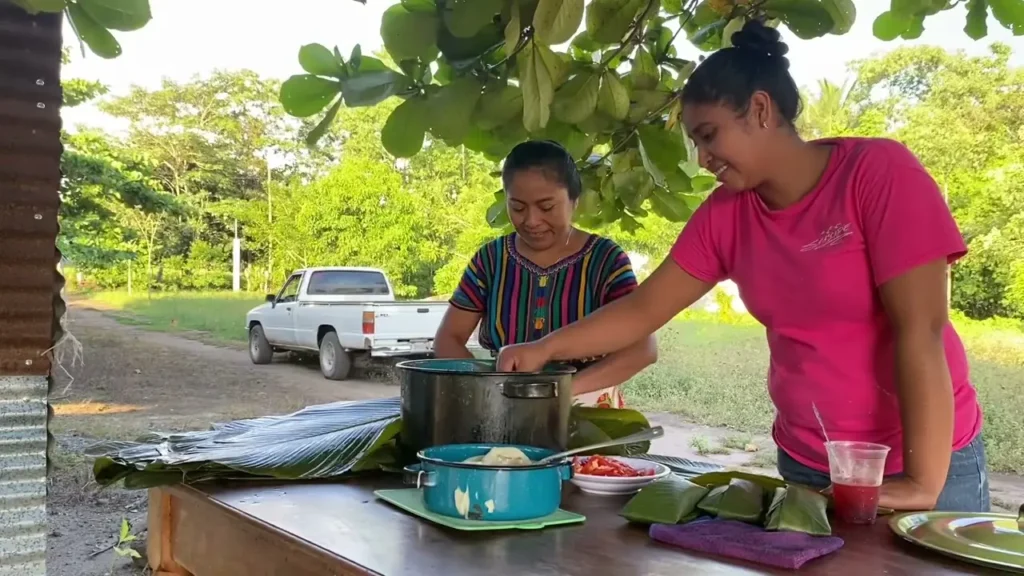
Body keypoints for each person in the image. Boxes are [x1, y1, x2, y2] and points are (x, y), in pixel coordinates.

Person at [496, 21, 988, 512]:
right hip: (810, 462)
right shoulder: (726, 215)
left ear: (759, 109)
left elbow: (921, 330)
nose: (704, 157)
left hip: (921, 460)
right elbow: (643, 311)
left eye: (709, 136)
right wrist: (543, 348)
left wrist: (922, 482)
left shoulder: (876, 174)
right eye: (696, 142)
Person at [433, 140, 657, 408]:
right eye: (517, 207)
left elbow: (643, 350)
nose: (531, 220)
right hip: (501, 405)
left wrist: (562, 393)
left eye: (547, 207)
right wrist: (486, 389)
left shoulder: (606, 260)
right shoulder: (490, 260)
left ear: (575, 200)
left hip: (587, 406)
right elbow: (448, 338)